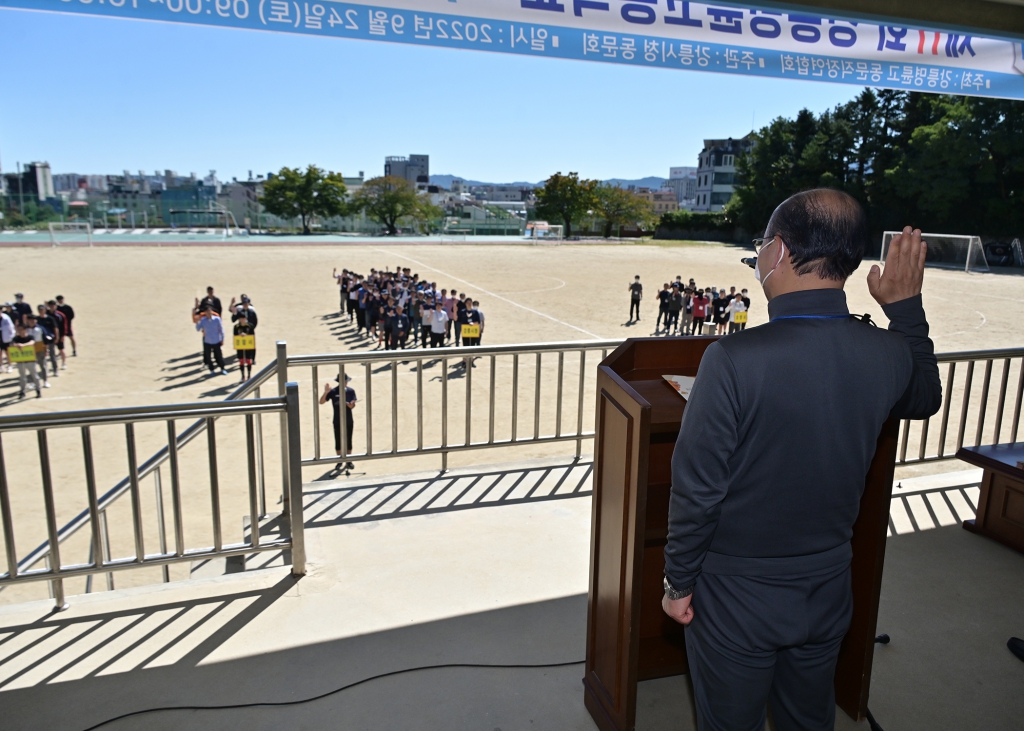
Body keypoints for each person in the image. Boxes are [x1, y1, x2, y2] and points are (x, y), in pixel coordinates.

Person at [660, 189, 942, 731]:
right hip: (829, 584)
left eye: (761, 246)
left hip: (736, 594)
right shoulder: (885, 351)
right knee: (808, 719)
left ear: (780, 251)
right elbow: (924, 396)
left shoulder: (733, 359)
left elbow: (697, 491)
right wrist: (905, 308)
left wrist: (677, 584)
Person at [320, 374, 356, 470]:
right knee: (338, 441)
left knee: (349, 440)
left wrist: (349, 405)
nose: (346, 382)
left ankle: (349, 460)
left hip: (348, 419)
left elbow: (352, 406)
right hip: (337, 420)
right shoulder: (333, 391)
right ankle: (339, 460)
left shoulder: (350, 391)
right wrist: (326, 393)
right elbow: (321, 401)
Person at [10, 322, 41, 399]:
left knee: (34, 375)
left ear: (25, 330)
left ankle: (38, 389)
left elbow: (32, 342)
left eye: (21, 329)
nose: (20, 331)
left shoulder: (30, 337)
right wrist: (16, 345)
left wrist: (23, 345)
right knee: (22, 377)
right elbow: (12, 344)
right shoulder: (16, 338)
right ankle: (22, 391)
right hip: (20, 361)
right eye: (19, 329)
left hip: (30, 360)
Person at [195, 306, 228, 376]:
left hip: (216, 341)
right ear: (205, 313)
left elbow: (221, 330)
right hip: (207, 341)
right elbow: (198, 329)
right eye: (207, 311)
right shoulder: (203, 320)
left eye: (209, 311)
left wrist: (222, 339)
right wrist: (197, 322)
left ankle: (222, 368)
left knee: (219, 356)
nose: (208, 313)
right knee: (208, 357)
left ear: (211, 311)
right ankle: (212, 370)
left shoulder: (217, 319)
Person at [23, 314, 51, 389]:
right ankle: (33, 382)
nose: (32, 322)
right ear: (27, 321)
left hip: (40, 350)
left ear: (36, 321)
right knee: (31, 368)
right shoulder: (25, 329)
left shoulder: (41, 329)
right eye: (30, 320)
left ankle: (45, 381)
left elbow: (45, 341)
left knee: (43, 366)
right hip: (30, 352)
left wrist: (46, 350)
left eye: (33, 320)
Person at [35, 304, 60, 378]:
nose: (41, 311)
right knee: (43, 356)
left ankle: (55, 370)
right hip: (41, 341)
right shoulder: (37, 319)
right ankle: (46, 371)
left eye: (42, 309)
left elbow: (55, 328)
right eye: (39, 310)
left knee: (52, 355)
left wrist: (57, 337)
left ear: (45, 310)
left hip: (50, 339)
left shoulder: (50, 318)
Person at [233, 312, 256, 382]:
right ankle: (243, 376)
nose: (242, 320)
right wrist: (240, 335)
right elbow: (235, 336)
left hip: (248, 346)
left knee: (249, 360)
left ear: (246, 318)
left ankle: (249, 376)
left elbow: (252, 336)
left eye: (244, 318)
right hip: (240, 347)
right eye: (241, 319)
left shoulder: (250, 326)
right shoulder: (236, 327)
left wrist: (246, 335)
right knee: (241, 361)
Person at [46, 300, 68, 371]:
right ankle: (54, 365)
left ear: (56, 306)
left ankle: (64, 363)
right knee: (51, 351)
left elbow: (64, 326)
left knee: (61, 350)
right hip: (50, 336)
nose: (52, 307)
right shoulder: (46, 314)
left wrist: (62, 336)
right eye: (50, 306)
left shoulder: (60, 315)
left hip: (59, 335)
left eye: (53, 305)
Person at [0, 305, 13, 373]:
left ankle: (10, 365)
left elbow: (11, 328)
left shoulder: (6, 318)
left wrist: (11, 337)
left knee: (8, 353)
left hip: (6, 338)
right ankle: (1, 366)